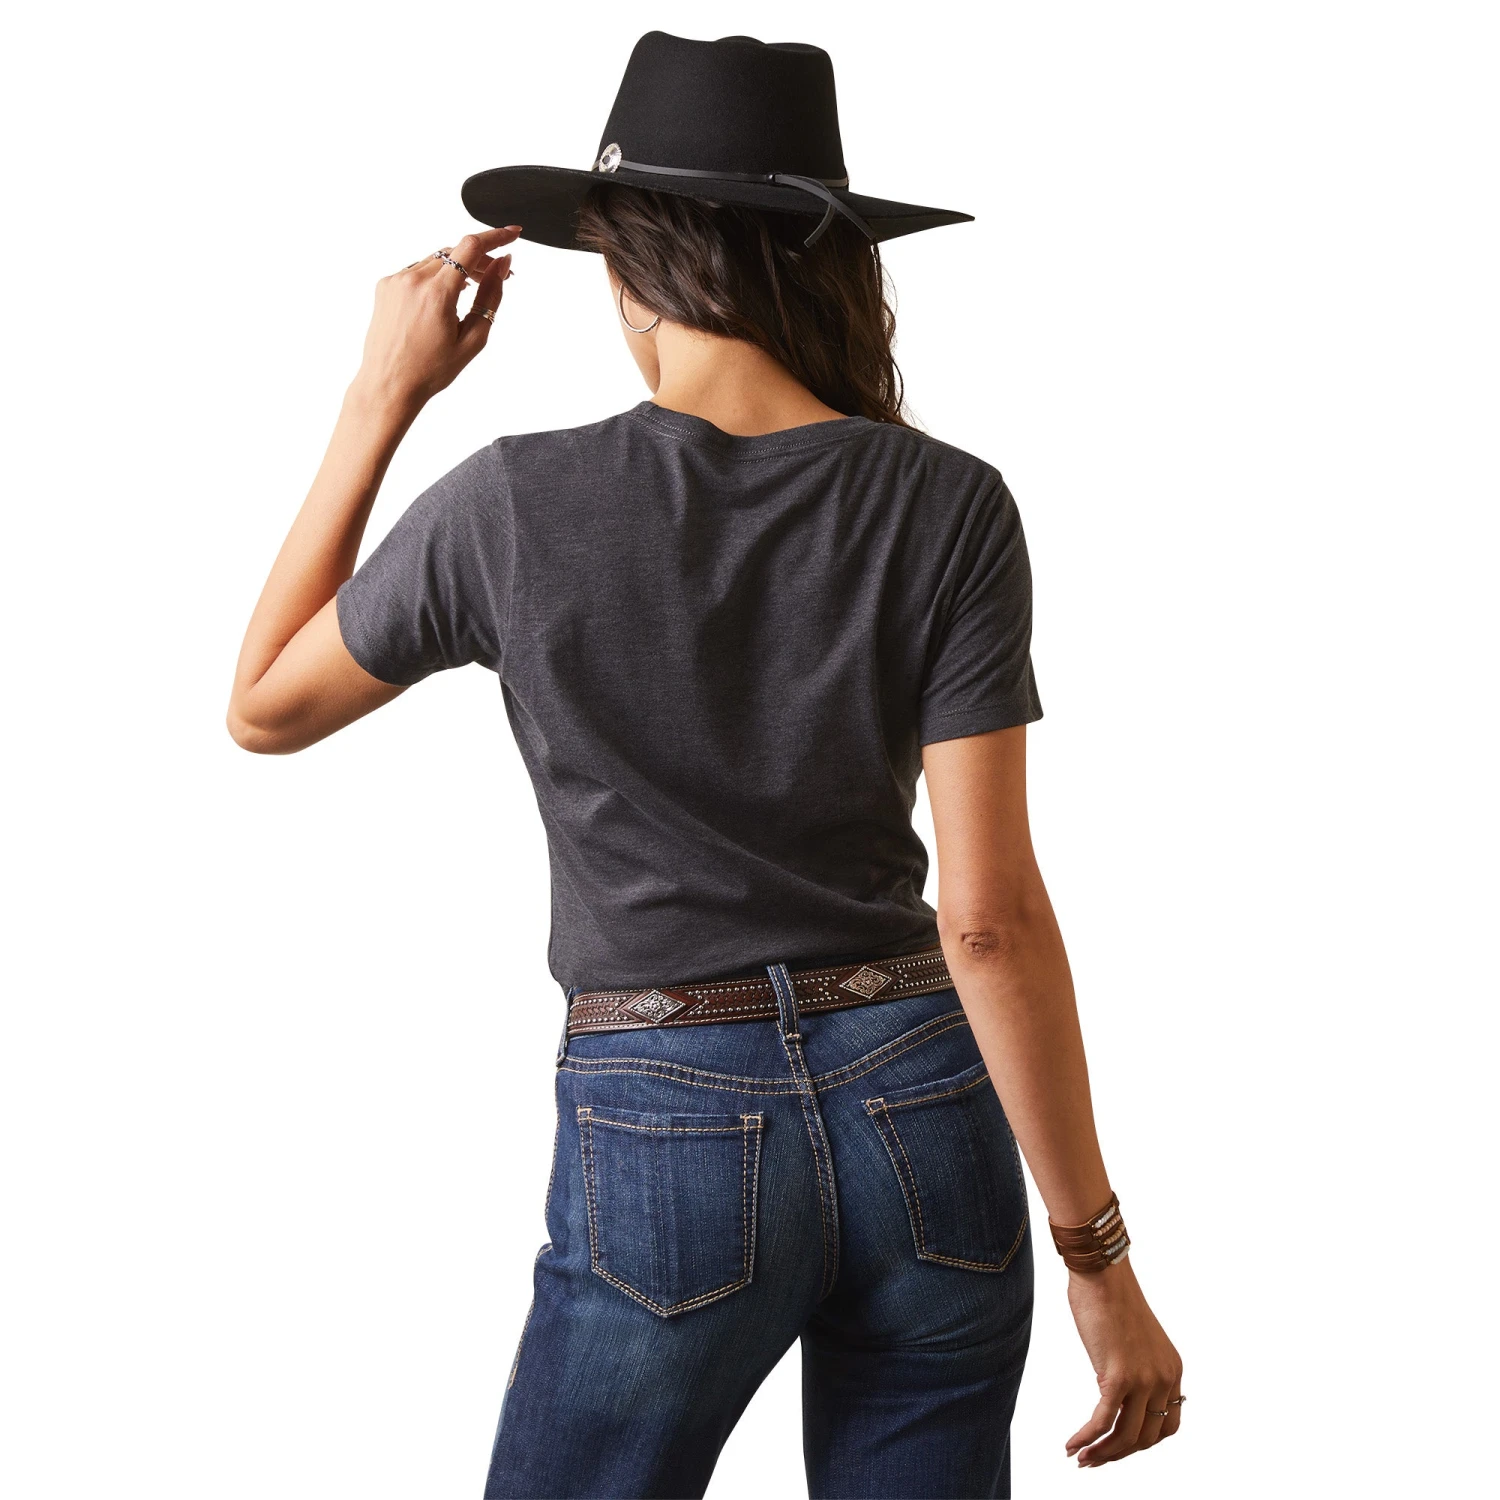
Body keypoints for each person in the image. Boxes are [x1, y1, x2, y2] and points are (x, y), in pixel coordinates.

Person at [228, 30, 1183, 1500]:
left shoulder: (511, 503)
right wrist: (1097, 1259)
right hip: (926, 1101)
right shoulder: (951, 504)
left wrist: (381, 396)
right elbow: (988, 921)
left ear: (629, 264)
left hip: (665, 1111)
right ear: (828, 258)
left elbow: (266, 708)